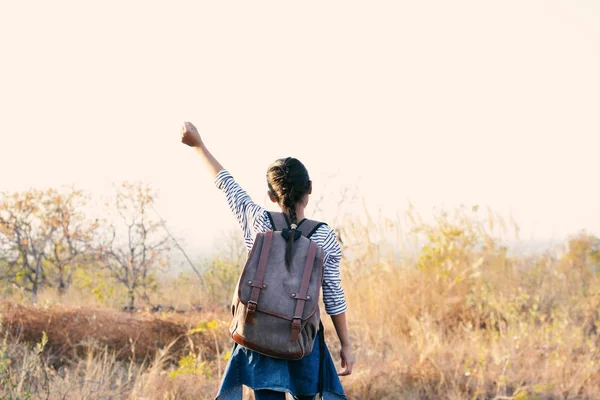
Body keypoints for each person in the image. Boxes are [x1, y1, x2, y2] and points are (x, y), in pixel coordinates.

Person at [181, 121, 355, 400]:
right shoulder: (324, 237)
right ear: (309, 188)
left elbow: (227, 185)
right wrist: (346, 344)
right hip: (303, 340)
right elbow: (334, 295)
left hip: (259, 335)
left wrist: (198, 145)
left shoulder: (258, 222)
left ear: (271, 195)